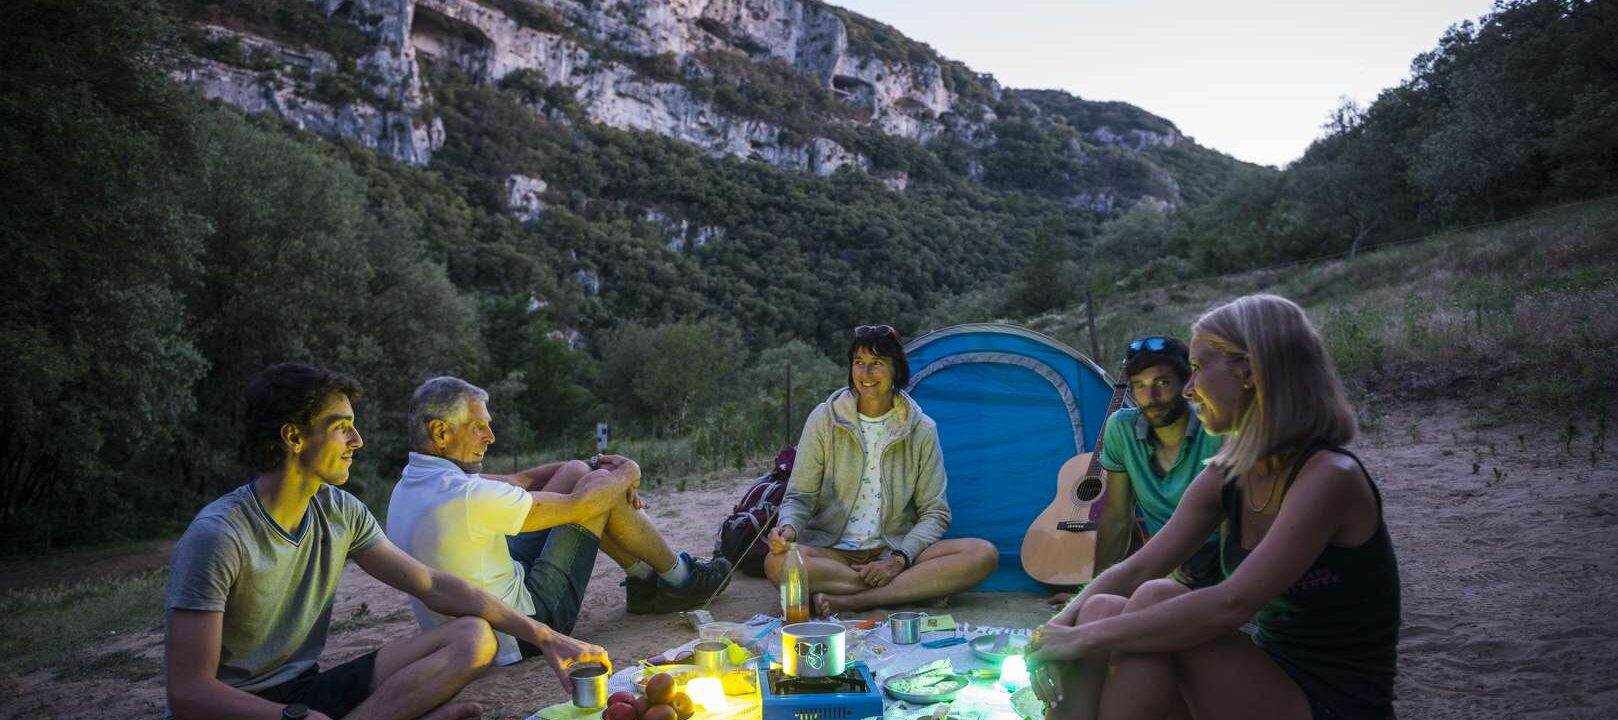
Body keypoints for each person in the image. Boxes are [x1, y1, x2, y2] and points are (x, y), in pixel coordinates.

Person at [1029, 294, 1400, 720]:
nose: (1189, 388)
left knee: (1145, 606)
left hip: (1331, 700)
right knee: (1109, 604)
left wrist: (1083, 640)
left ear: (1249, 371)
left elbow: (1231, 604)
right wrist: (1058, 630)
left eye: (1199, 368)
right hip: (1262, 669)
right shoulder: (1230, 471)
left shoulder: (1330, 477)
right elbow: (1137, 568)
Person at [165, 363, 608, 720]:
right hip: (237, 709)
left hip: (306, 688)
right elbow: (189, 693)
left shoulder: (339, 510)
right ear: (293, 437)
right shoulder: (218, 536)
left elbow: (434, 585)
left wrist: (546, 636)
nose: (357, 441)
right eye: (341, 428)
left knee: (475, 638)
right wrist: (291, 716)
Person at [387, 376, 731, 667]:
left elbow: (520, 479)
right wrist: (627, 473)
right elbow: (580, 507)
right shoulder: (465, 496)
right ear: (440, 432)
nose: (490, 437)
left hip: (481, 610)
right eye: (479, 427)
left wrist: (592, 465)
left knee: (578, 473)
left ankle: (642, 580)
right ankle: (680, 579)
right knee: (596, 491)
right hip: (522, 630)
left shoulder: (413, 483)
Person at [763, 324, 998, 615]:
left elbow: (935, 512)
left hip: (894, 550)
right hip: (832, 552)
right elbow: (800, 495)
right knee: (776, 563)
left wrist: (898, 560)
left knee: (982, 554)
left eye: (877, 364)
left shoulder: (921, 429)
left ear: (896, 370)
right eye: (859, 363)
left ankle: (853, 600)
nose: (866, 373)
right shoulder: (825, 419)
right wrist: (788, 528)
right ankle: (907, 590)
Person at [1045, 335, 1225, 609]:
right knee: (1101, 610)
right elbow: (1117, 516)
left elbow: (1233, 521)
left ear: (1187, 383)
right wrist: (1093, 592)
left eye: (1162, 383)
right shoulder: (1122, 428)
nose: (1150, 398)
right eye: (1139, 386)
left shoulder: (1214, 429)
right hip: (1158, 556)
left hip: (1217, 556)